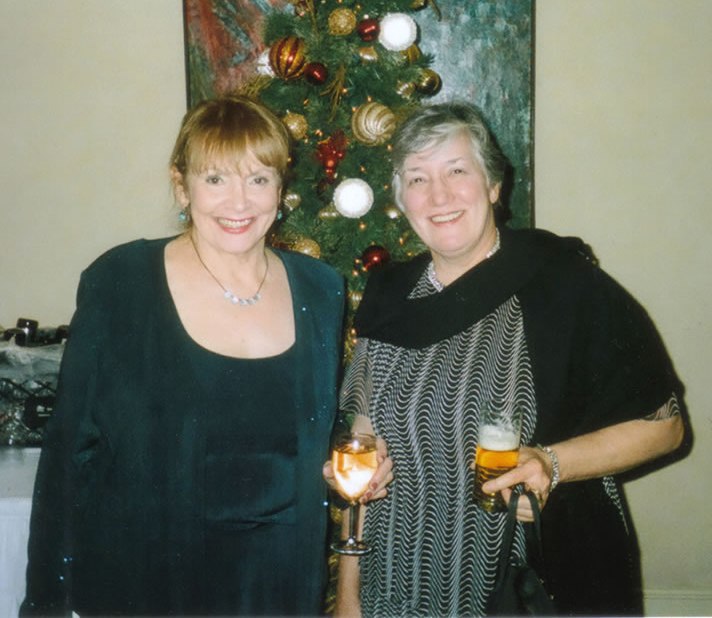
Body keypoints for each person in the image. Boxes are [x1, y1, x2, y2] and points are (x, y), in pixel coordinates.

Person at [21, 95, 390, 617]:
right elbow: (67, 453)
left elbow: (303, 429)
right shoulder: (122, 281)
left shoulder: (320, 288)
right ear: (182, 186)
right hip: (148, 584)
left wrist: (341, 466)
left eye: (258, 179)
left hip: (277, 586)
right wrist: (46, 603)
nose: (239, 202)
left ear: (280, 189)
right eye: (215, 179)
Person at [334, 102, 686, 618]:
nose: (439, 195)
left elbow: (665, 425)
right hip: (393, 589)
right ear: (402, 199)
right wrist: (349, 593)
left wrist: (552, 463)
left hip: (518, 589)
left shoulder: (564, 285)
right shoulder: (388, 298)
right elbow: (364, 459)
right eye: (418, 179)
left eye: (457, 171)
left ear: (494, 186)